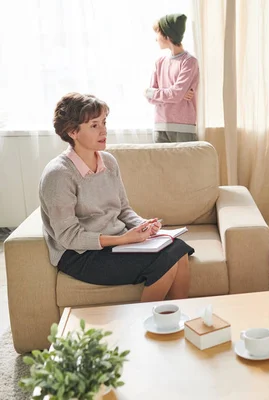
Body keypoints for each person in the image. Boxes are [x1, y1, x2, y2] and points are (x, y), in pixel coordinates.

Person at [40, 92, 193, 302]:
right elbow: (67, 236)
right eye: (94, 125)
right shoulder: (59, 174)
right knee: (166, 260)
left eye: (104, 122)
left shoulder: (108, 162)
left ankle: (178, 323)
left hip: (116, 241)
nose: (104, 130)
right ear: (72, 131)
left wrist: (143, 226)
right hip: (80, 254)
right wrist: (123, 239)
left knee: (177, 248)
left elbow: (123, 209)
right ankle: (146, 328)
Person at [145, 13, 199, 143]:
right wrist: (172, 94)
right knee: (159, 164)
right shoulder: (160, 62)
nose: (156, 39)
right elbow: (150, 98)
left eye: (157, 34)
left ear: (167, 36)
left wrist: (152, 92)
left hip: (183, 128)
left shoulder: (189, 62)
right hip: (159, 126)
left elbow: (174, 94)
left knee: (185, 164)